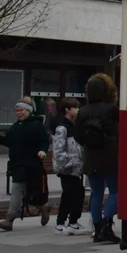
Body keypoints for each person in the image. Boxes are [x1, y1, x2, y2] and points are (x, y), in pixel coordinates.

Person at [0, 100, 50, 231]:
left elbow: (44, 141)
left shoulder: (37, 125)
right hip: (18, 165)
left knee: (33, 195)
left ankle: (43, 208)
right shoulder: (16, 126)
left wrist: (43, 151)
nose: (18, 113)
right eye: (17, 111)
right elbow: (9, 141)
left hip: (33, 165)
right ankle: (9, 220)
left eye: (21, 110)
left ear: (29, 111)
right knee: (17, 190)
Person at [75, 73, 120, 243]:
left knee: (96, 193)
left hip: (90, 158)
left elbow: (78, 136)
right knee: (116, 191)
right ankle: (106, 224)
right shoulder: (111, 109)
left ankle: (97, 227)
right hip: (109, 157)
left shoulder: (83, 111)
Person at [51, 97, 86, 234]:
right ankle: (72, 222)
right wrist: (72, 162)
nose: (78, 110)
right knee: (77, 193)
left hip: (71, 168)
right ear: (67, 109)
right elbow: (59, 150)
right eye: (75, 107)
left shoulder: (70, 125)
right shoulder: (62, 127)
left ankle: (61, 223)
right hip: (67, 168)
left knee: (68, 195)